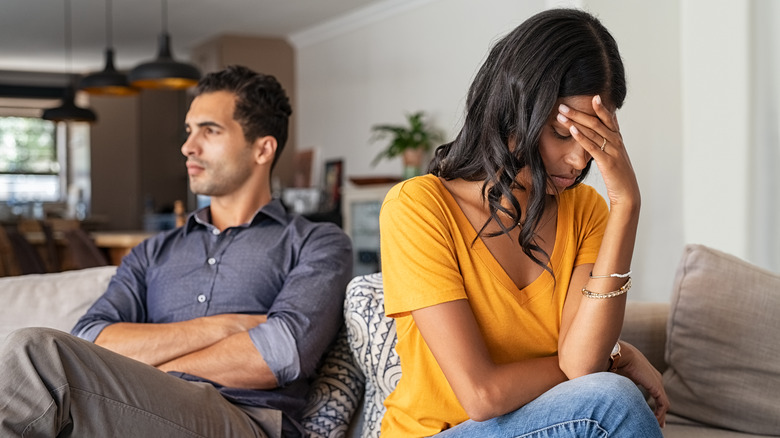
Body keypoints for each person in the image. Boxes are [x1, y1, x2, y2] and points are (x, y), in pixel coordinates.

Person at [0, 65, 353, 437]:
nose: (188, 146)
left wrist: (142, 368)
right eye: (189, 130)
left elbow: (279, 353)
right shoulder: (152, 252)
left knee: (35, 353)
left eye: (209, 130)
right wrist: (227, 326)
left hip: (246, 419)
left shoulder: (318, 242)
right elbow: (91, 338)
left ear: (262, 149)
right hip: (139, 408)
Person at [379, 8, 668, 437]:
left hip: (544, 424)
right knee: (613, 401)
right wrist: (614, 357)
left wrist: (626, 202)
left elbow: (580, 364)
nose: (579, 159)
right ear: (512, 111)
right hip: (438, 432)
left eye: (596, 138)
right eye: (562, 133)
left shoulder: (586, 209)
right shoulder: (418, 207)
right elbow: (482, 395)